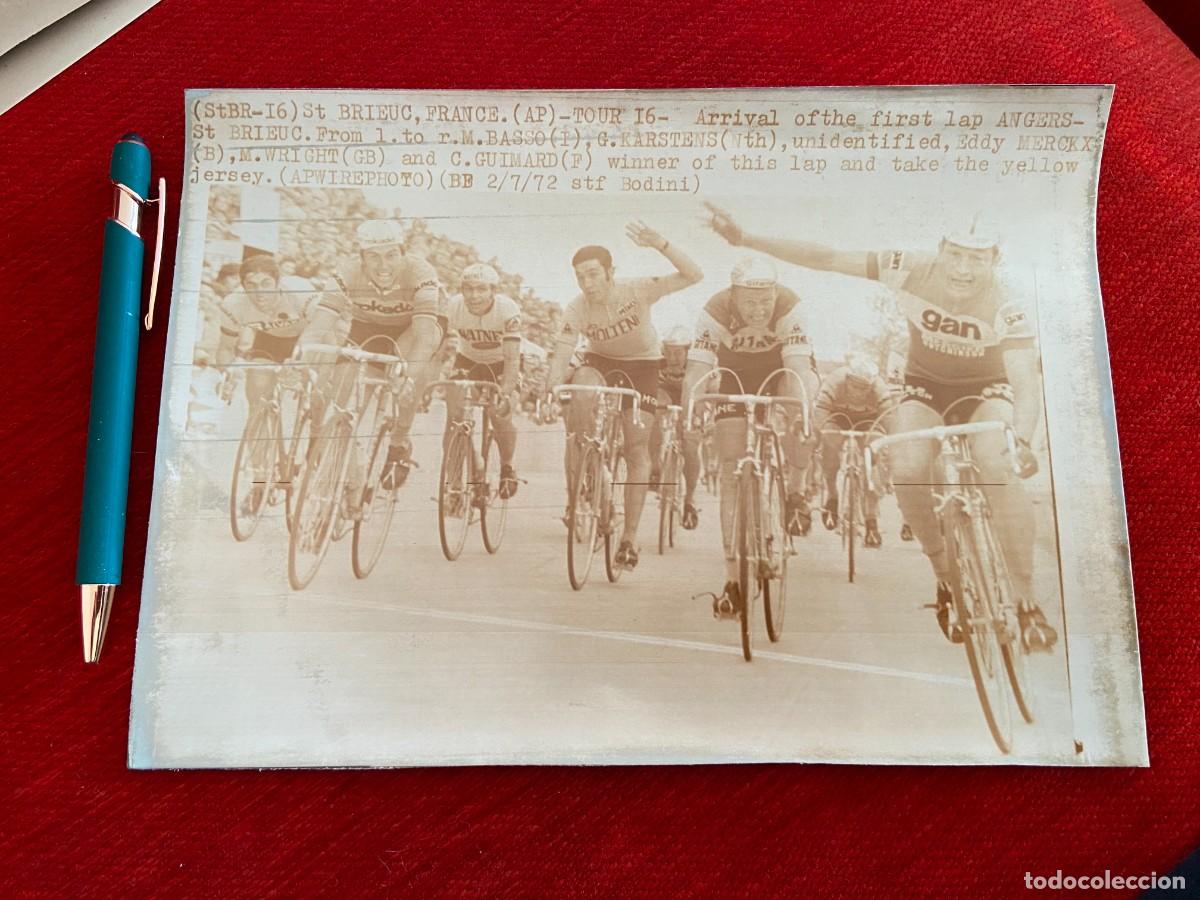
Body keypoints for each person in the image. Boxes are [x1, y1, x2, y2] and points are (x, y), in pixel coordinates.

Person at [705, 202, 1057, 651]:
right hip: (925, 387)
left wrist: (1021, 439)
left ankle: (1027, 603)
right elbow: (827, 257)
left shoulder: (1008, 299)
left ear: (994, 261)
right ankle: (946, 576)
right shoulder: (908, 268)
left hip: (988, 391)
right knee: (907, 468)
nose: (964, 269)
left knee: (996, 463)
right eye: (956, 255)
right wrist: (747, 239)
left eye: (977, 258)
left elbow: (1025, 380)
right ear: (941, 251)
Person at [545, 222, 703, 571]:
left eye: (593, 275)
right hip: (600, 362)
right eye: (580, 277)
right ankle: (589, 463)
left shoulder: (637, 289)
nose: (587, 284)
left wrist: (660, 242)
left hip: (643, 367)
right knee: (581, 388)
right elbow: (562, 349)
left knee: (636, 447)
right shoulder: (577, 307)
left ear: (610, 273)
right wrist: (553, 385)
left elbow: (694, 274)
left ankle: (629, 539)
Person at [682, 257, 819, 620]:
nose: (760, 310)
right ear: (733, 296)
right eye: (750, 302)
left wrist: (801, 416)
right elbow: (697, 370)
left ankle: (796, 490)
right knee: (730, 467)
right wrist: (691, 411)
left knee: (802, 414)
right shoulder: (713, 310)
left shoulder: (790, 305)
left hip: (780, 369)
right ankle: (733, 581)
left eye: (766, 301)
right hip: (734, 375)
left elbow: (799, 369)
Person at [299, 219, 443, 492]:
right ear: (361, 257)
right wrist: (299, 357)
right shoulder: (348, 271)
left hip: (415, 326)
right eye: (373, 257)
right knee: (344, 400)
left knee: (407, 377)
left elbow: (424, 337)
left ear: (402, 252)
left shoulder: (421, 271)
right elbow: (319, 325)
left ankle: (399, 442)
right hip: (369, 325)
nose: (383, 265)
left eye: (391, 255)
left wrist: (408, 378)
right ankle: (347, 470)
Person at [443, 263, 522, 501]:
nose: (474, 295)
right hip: (468, 361)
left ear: (493, 291)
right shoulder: (454, 306)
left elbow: (511, 357)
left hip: (501, 364)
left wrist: (506, 392)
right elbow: (439, 347)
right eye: (468, 289)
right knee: (454, 416)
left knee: (500, 415)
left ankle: (507, 466)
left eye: (481, 289)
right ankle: (455, 483)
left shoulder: (507, 309)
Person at [217, 255, 319, 407]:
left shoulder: (300, 292)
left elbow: (322, 330)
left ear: (278, 283)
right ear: (243, 287)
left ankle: (315, 424)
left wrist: (303, 362)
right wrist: (226, 378)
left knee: (314, 391)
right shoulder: (233, 303)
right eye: (251, 285)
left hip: (306, 339)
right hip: (268, 340)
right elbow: (225, 348)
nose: (259, 292)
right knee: (257, 398)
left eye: (266, 284)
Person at [814, 353, 893, 548]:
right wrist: (820, 432)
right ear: (847, 378)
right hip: (837, 417)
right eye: (854, 385)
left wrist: (890, 440)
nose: (858, 391)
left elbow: (889, 417)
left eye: (863, 387)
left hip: (868, 421)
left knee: (872, 459)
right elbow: (820, 410)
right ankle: (832, 496)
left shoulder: (879, 388)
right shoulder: (835, 380)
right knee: (830, 448)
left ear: (872, 384)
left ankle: (871, 520)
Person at [648, 326, 703, 530]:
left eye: (678, 352)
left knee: (690, 446)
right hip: (666, 395)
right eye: (669, 351)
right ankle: (654, 469)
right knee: (655, 411)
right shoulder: (657, 362)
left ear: (688, 352)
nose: (673, 357)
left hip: (689, 399)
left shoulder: (697, 364)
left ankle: (689, 500)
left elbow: (712, 386)